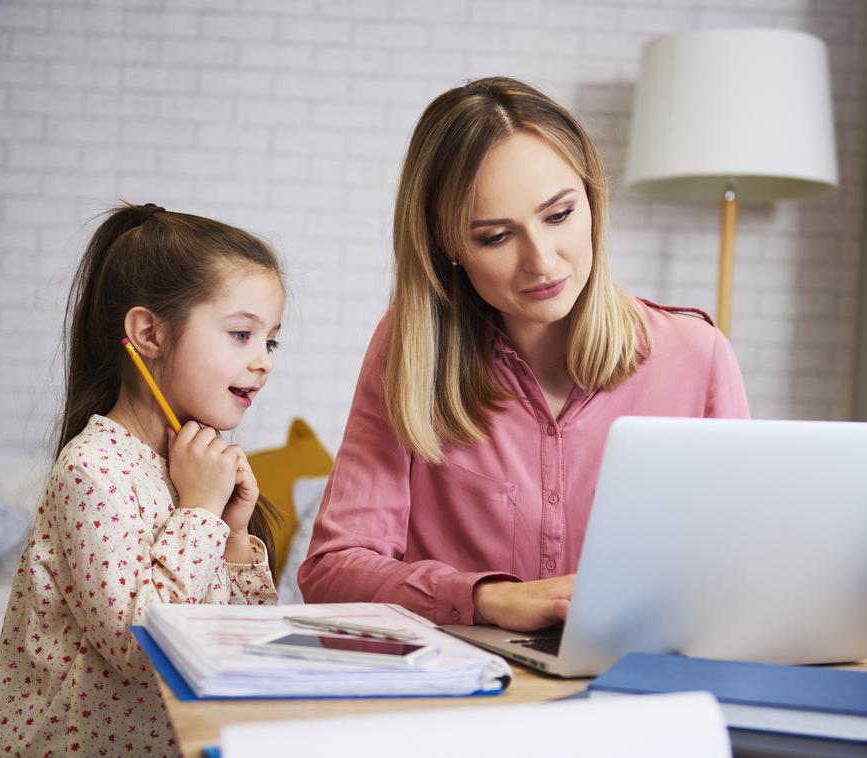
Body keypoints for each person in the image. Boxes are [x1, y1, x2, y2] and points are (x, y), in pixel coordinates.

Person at [299, 77, 750, 633]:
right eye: (495, 236)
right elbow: (332, 570)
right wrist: (485, 599)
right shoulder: (410, 348)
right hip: (460, 697)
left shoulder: (696, 355)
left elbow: (739, 571)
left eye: (559, 215)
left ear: (592, 201)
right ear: (448, 247)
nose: (541, 262)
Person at [0, 203, 284, 757]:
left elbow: (234, 651)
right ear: (148, 333)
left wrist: (233, 532)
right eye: (242, 334)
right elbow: (138, 647)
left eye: (271, 342)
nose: (263, 360)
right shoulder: (93, 470)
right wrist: (198, 512)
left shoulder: (191, 470)